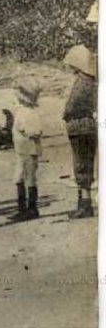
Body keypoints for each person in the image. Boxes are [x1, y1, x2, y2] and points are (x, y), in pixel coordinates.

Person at [62, 44, 97, 219]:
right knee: (85, 163)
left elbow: (72, 106)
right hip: (88, 126)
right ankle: (84, 203)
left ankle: (85, 205)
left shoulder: (82, 83)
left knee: (81, 164)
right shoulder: (92, 81)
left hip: (80, 127)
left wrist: (65, 114)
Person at [9, 78, 43, 222]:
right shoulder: (23, 111)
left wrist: (25, 130)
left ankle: (31, 209)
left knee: (28, 178)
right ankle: (23, 209)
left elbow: (37, 131)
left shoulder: (29, 113)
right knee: (20, 178)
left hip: (29, 150)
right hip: (22, 150)